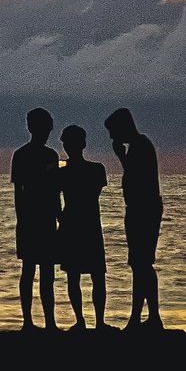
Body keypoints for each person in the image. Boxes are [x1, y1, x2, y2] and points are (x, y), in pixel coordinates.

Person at [104, 108, 163, 331]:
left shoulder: (140, 147)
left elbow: (134, 177)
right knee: (140, 264)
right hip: (140, 208)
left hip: (143, 209)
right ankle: (145, 317)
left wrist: (121, 157)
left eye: (113, 132)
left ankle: (142, 318)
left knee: (142, 264)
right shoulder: (140, 146)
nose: (111, 137)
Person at [11, 107, 61, 330]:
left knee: (40, 271)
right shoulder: (29, 155)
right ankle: (31, 321)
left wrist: (58, 216)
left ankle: (44, 321)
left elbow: (54, 189)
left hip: (41, 218)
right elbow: (20, 191)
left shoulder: (44, 155)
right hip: (36, 218)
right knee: (34, 270)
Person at [57, 125, 108, 331]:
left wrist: (61, 216)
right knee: (93, 275)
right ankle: (96, 322)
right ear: (84, 144)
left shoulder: (64, 173)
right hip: (88, 224)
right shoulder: (96, 169)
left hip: (74, 224)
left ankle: (84, 321)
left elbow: (54, 198)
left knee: (76, 276)